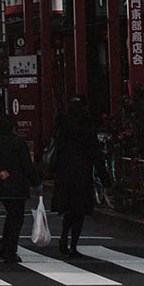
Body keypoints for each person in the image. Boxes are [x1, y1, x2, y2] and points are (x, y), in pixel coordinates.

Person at [0, 115, 40, 266]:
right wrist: (36, 183)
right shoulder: (18, 142)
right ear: (13, 128)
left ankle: (5, 246)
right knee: (16, 219)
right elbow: (27, 166)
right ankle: (9, 250)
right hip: (17, 186)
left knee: (12, 217)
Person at [50, 97, 103, 257]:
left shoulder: (63, 124)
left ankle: (63, 238)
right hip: (82, 172)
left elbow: (56, 146)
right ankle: (73, 245)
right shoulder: (87, 125)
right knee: (79, 211)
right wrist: (104, 176)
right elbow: (95, 152)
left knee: (68, 209)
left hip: (64, 172)